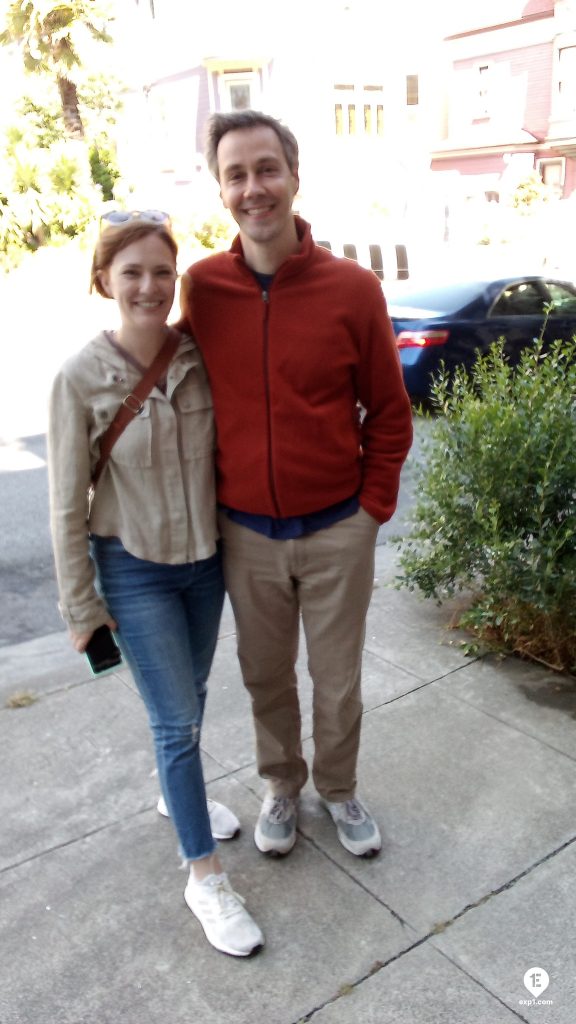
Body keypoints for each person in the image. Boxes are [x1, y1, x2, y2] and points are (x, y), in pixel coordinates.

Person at [179, 110, 413, 861]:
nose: (255, 188)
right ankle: (282, 785)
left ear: (294, 176)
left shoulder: (352, 289)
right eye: (236, 174)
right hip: (246, 532)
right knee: (266, 678)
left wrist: (371, 510)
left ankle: (338, 790)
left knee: (337, 682)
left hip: (337, 526)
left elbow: (390, 411)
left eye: (266, 169)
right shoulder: (203, 288)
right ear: (221, 190)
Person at [47, 213, 263, 958]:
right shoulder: (79, 378)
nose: (148, 286)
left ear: (177, 281)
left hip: (204, 565)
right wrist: (82, 607)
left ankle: (177, 793)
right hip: (132, 569)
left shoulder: (198, 357)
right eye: (132, 272)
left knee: (192, 701)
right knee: (177, 723)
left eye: (162, 273)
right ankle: (203, 876)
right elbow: (64, 504)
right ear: (105, 280)